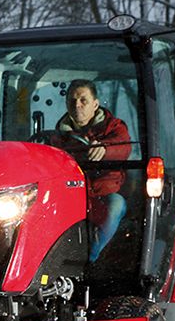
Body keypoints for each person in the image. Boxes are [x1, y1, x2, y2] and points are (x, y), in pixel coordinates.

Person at [55, 79, 131, 262]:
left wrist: (105, 149)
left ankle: (89, 259)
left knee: (116, 205)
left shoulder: (113, 127)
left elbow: (124, 147)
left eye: (83, 100)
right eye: (72, 101)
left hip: (103, 194)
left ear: (95, 104)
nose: (77, 105)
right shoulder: (58, 135)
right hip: (72, 193)